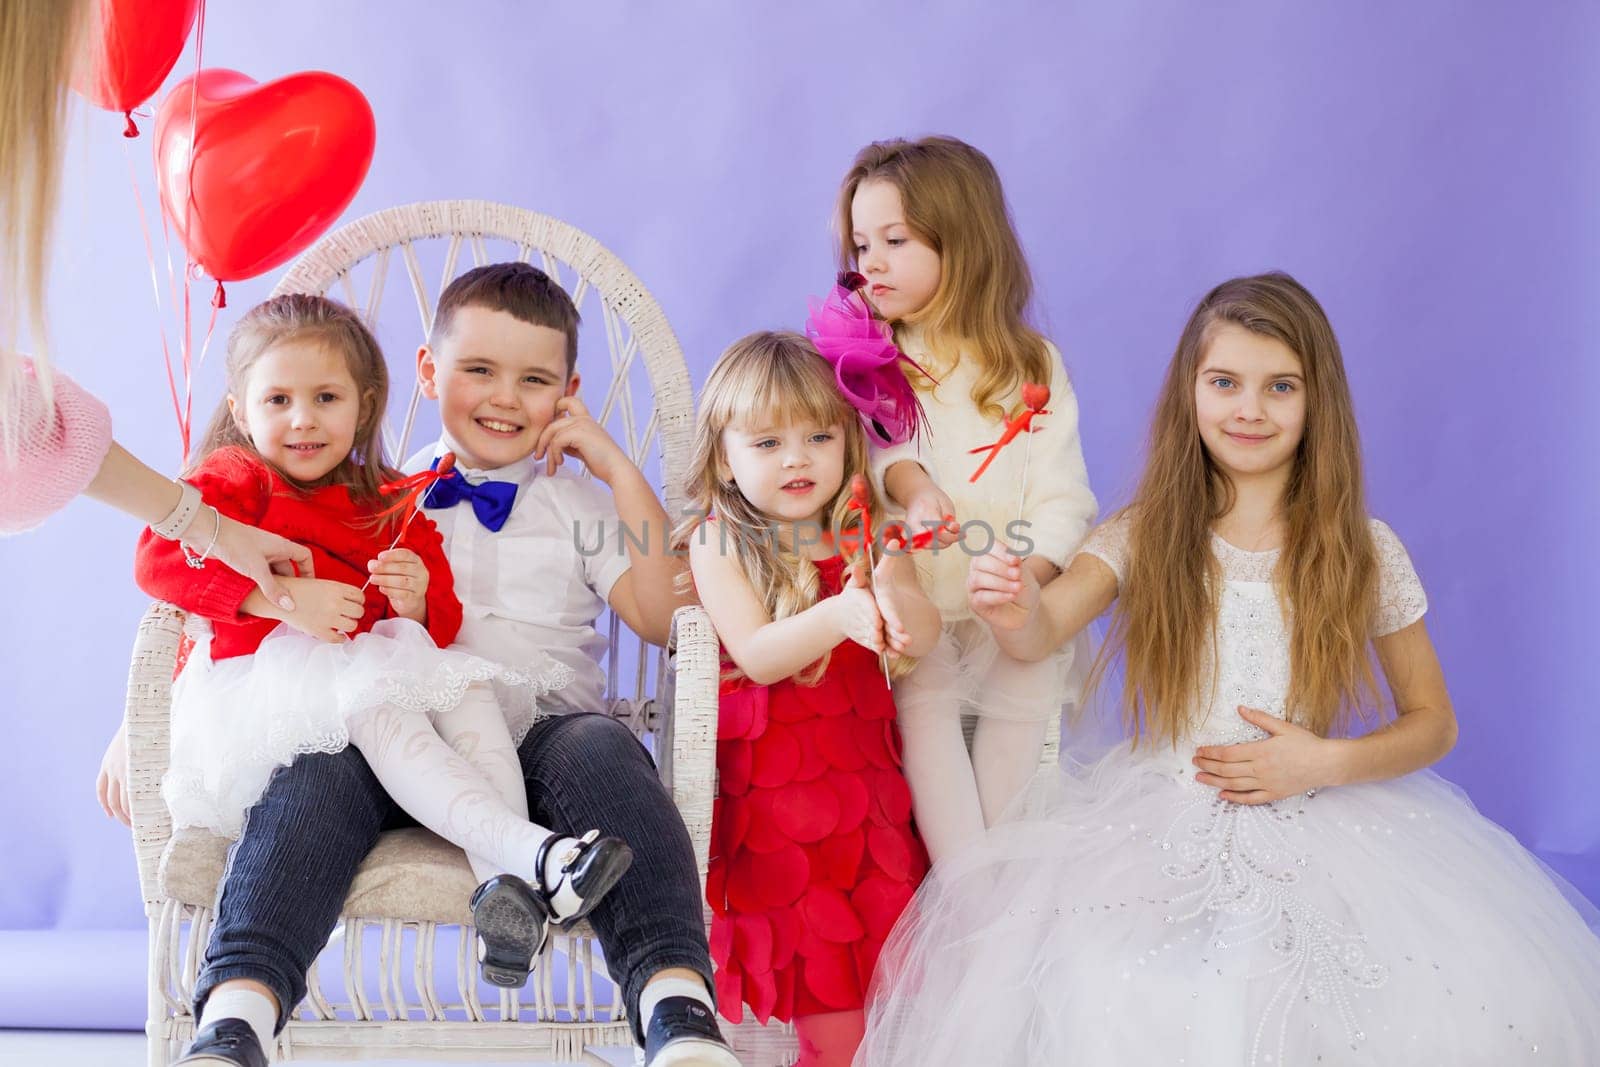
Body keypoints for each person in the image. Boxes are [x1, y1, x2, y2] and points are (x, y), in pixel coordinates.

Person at [855, 272, 1600, 1065]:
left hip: (1317, 811)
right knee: (1121, 981)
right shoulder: (1145, 531)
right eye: (1225, 383)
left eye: (1280, 386)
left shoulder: (1364, 547)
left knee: (1373, 994)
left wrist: (1325, 760)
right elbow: (1040, 634)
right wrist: (1012, 606)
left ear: (1317, 403)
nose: (1250, 408)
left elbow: (1434, 721)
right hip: (1163, 811)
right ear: (1191, 392)